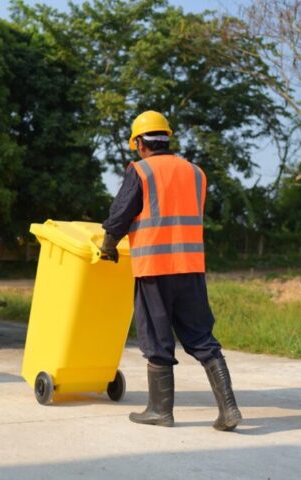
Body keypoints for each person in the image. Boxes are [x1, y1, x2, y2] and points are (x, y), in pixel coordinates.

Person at [99, 111, 242, 430]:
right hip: (190, 268)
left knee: (156, 338)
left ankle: (160, 411)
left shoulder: (141, 170)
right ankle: (229, 409)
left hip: (155, 268)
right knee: (202, 337)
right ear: (167, 138)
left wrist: (108, 245)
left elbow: (122, 213)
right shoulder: (196, 173)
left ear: (139, 143)